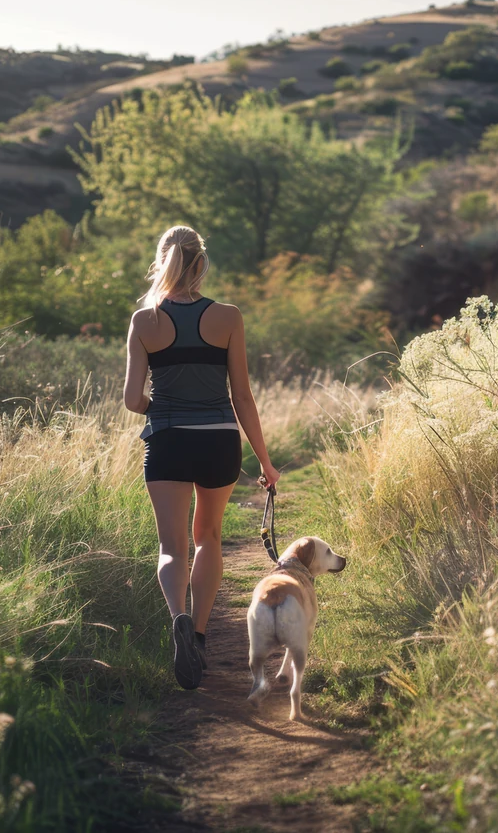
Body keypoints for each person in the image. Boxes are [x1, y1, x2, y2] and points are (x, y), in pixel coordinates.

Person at [123, 225, 281, 689]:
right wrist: (266, 463)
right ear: (201, 265)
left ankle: (178, 619)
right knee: (207, 537)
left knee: (171, 547)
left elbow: (133, 400)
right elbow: (244, 397)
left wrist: (166, 410)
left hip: (168, 440)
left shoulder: (143, 320)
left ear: (162, 260)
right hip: (218, 441)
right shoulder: (228, 316)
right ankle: (198, 634)